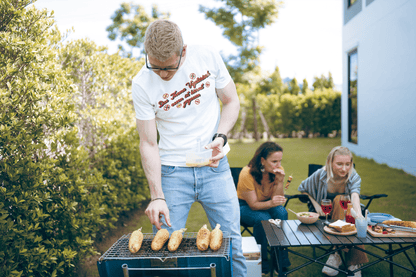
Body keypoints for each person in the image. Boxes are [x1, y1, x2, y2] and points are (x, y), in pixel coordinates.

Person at [131, 19, 247, 276]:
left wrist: (222, 136)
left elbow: (231, 101)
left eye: (169, 67)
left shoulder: (207, 57)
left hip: (215, 168)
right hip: (172, 174)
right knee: (163, 253)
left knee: (232, 246)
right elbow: (148, 143)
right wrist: (157, 195)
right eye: (155, 67)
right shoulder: (141, 83)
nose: (162, 74)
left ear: (183, 51)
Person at [298, 146, 368, 277]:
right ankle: (353, 264)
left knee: (342, 201)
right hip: (325, 213)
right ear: (330, 163)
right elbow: (303, 187)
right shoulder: (320, 175)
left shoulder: (353, 176)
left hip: (348, 214)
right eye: (339, 164)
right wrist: (316, 205)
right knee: (340, 200)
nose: (344, 168)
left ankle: (337, 254)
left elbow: (354, 195)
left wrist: (358, 214)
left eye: (348, 164)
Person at [237, 141, 291, 275]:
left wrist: (279, 181)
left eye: (280, 161)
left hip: (267, 203)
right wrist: (272, 203)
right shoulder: (247, 173)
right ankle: (262, 262)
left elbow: (277, 202)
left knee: (282, 212)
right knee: (263, 218)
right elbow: (253, 205)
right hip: (244, 206)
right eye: (274, 161)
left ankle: (280, 260)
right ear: (262, 160)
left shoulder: (278, 171)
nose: (278, 165)